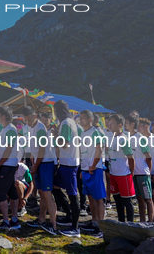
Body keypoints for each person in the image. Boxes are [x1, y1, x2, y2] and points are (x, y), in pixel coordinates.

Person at [24, 106, 58, 236]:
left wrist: (35, 167)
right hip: (39, 162)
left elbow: (42, 150)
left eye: (29, 120)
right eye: (26, 120)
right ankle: (41, 219)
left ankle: (53, 224)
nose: (27, 123)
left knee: (47, 194)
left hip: (46, 163)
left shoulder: (40, 128)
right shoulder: (32, 127)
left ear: (35, 116)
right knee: (42, 193)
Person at [51, 101, 81, 238]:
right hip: (66, 162)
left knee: (72, 194)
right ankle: (69, 214)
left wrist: (55, 135)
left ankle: (75, 227)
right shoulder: (68, 123)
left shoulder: (66, 123)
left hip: (69, 163)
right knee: (55, 186)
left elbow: (64, 143)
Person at [0, 105, 21, 230]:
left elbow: (8, 149)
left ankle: (6, 221)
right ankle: (14, 219)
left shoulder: (10, 130)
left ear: (4, 116)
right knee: (11, 191)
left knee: (0, 192)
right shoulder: (3, 128)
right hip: (5, 163)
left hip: (7, 165)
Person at [78, 110, 106, 237]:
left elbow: (99, 150)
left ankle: (101, 226)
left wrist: (93, 166)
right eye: (80, 118)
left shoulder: (95, 132)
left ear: (90, 119)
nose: (80, 120)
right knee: (90, 197)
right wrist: (82, 169)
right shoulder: (83, 133)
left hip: (95, 169)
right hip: (86, 169)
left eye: (83, 118)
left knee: (99, 198)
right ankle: (94, 221)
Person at [106, 114, 135, 223]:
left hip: (123, 174)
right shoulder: (112, 138)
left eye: (112, 122)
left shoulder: (123, 139)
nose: (110, 124)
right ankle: (121, 222)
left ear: (120, 125)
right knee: (117, 201)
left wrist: (131, 173)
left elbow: (131, 158)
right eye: (110, 122)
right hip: (114, 174)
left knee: (127, 201)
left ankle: (131, 224)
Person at [125, 113, 153, 223]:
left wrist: (148, 173)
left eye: (126, 123)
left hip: (142, 173)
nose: (125, 125)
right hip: (133, 173)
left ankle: (151, 222)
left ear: (132, 124)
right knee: (139, 199)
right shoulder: (127, 137)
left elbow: (148, 157)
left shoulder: (140, 138)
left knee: (148, 199)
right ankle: (142, 221)